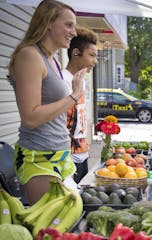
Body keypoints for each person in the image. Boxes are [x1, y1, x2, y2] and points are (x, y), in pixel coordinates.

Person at [8, 0, 86, 205]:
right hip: (39, 157)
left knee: (66, 226)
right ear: (48, 22)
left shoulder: (53, 60)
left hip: (60, 154)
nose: (74, 32)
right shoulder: (29, 56)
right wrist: (73, 96)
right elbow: (31, 117)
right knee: (50, 232)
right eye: (68, 25)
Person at [63, 27, 98, 184]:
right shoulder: (62, 81)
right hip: (67, 159)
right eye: (92, 55)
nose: (95, 61)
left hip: (82, 155)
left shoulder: (82, 81)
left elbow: (80, 117)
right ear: (75, 53)